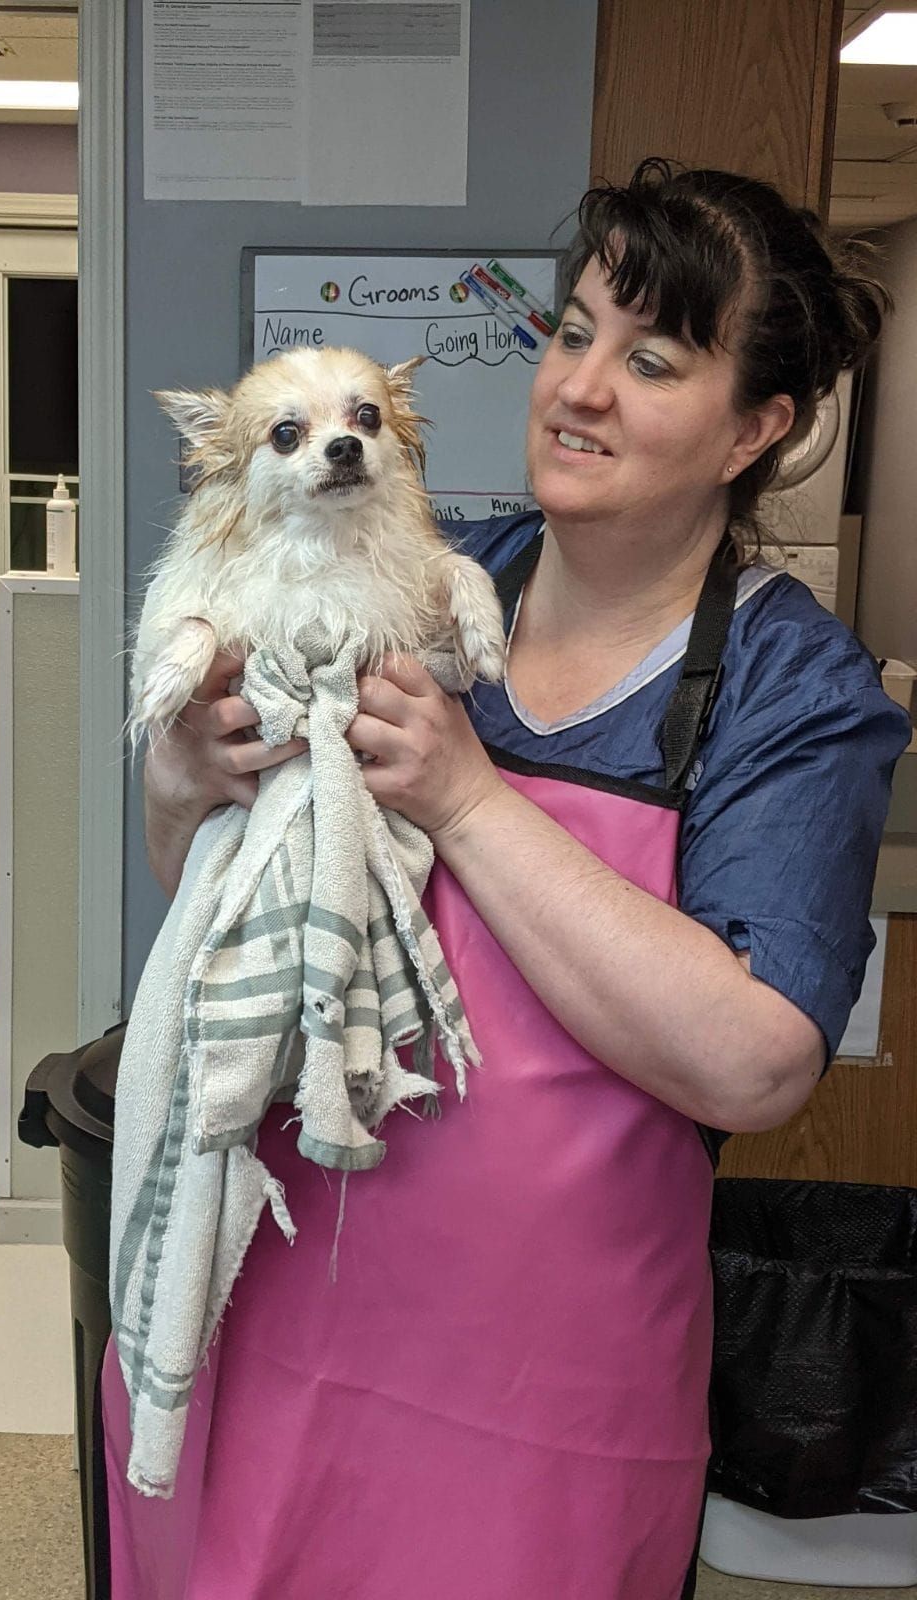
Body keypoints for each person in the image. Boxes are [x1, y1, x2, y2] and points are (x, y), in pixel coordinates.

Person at [103, 159, 913, 1599]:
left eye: (651, 358)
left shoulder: (792, 688)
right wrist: (184, 784)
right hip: (279, 1300)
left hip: (544, 1389)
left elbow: (755, 1062)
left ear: (759, 428)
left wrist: (470, 798)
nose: (578, 386)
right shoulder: (416, 576)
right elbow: (208, 895)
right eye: (573, 330)